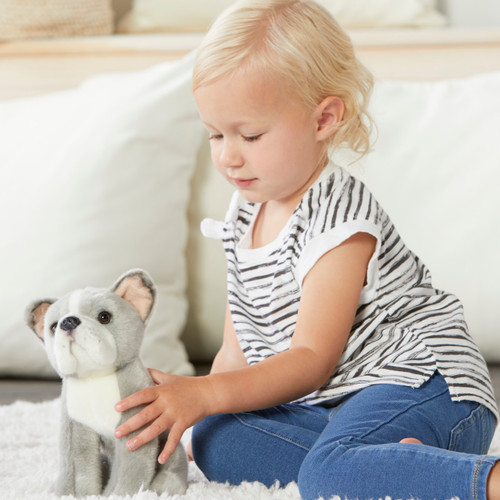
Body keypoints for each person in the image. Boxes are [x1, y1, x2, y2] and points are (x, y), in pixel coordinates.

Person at [113, 1, 500, 498]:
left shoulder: (339, 217)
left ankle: (476, 478)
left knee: (324, 471)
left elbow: (312, 359)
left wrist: (204, 392)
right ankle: (395, 467)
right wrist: (193, 407)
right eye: (215, 133)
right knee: (215, 438)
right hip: (339, 406)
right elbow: (235, 354)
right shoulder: (244, 214)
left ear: (324, 119)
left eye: (250, 135)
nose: (229, 155)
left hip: (426, 386)